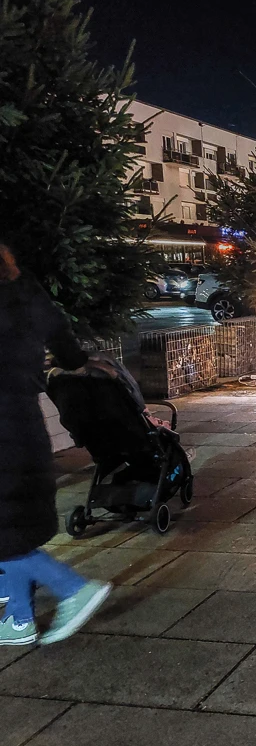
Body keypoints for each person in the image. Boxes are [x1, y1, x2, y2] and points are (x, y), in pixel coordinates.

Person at [0, 242, 111, 646]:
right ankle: (18, 618)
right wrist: (77, 360)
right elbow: (63, 339)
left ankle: (71, 589)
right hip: (24, 422)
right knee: (10, 527)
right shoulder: (24, 290)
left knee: (7, 532)